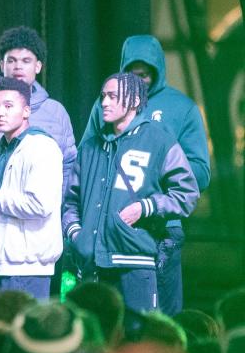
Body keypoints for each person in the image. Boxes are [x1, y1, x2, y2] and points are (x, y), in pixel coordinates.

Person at [80, 35, 210, 315]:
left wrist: (154, 171)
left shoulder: (182, 107)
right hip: (110, 230)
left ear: (158, 69)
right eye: (134, 73)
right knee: (107, 319)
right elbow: (87, 159)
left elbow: (200, 172)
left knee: (159, 318)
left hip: (161, 227)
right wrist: (78, 230)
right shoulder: (104, 104)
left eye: (147, 72)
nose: (142, 78)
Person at [0, 77, 63, 301]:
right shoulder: (0, 152)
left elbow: (40, 204)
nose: (0, 112)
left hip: (25, 270)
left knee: (22, 335)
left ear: (26, 111)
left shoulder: (41, 147)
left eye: (9, 106)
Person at [0, 26, 75, 194]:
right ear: (2, 65)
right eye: (11, 60)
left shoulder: (56, 112)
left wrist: (54, 205)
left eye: (26, 61)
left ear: (38, 66)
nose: (18, 66)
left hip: (42, 215)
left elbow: (69, 167)